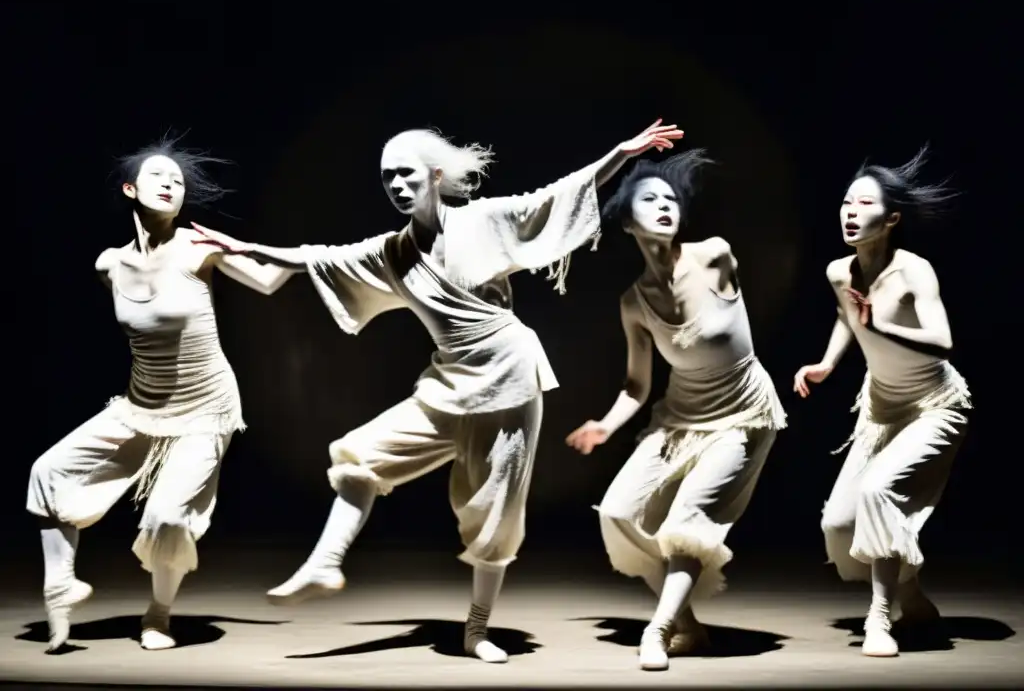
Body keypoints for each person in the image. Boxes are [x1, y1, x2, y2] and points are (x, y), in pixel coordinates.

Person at [191, 120, 684, 663]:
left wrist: (620, 151)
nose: (397, 186)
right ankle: (326, 560)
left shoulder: (484, 220)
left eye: (405, 174)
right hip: (449, 384)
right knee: (360, 457)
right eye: (386, 180)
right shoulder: (392, 251)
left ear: (435, 175)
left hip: (510, 380)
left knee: (496, 514)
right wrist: (242, 246)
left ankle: (477, 629)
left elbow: (558, 194)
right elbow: (318, 256)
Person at [28, 137, 295, 653]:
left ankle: (159, 613)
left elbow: (268, 283)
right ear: (131, 189)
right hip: (140, 405)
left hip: (206, 408)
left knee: (168, 518)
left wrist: (256, 248)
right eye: (158, 176)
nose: (172, 184)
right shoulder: (109, 263)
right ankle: (60, 585)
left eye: (178, 180)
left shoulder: (198, 248)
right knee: (48, 472)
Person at [566, 150, 786, 670]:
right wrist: (605, 424)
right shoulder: (633, 302)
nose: (665, 206)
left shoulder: (714, 255)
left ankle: (659, 630)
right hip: (678, 420)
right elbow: (636, 387)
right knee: (619, 513)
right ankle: (689, 624)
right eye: (650, 199)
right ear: (626, 222)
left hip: (743, 416)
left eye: (672, 199)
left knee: (688, 519)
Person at [793, 146, 969, 658]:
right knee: (837, 526)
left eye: (864, 203)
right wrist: (827, 363)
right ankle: (910, 593)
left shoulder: (915, 271)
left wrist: (882, 326)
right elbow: (847, 318)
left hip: (935, 405)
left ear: (891, 217)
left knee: (877, 492)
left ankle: (879, 619)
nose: (850, 211)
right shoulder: (838, 272)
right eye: (846, 202)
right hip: (880, 408)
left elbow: (943, 341)